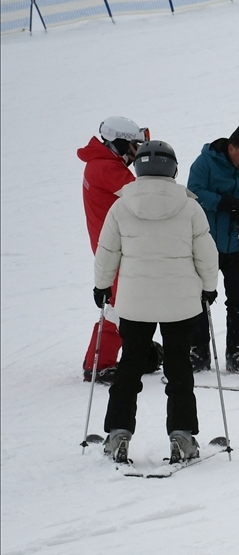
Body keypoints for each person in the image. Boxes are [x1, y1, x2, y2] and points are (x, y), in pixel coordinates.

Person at [93, 140, 219, 465]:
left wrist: (102, 286)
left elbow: (107, 251)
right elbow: (206, 252)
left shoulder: (121, 205)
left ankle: (118, 434)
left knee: (129, 368)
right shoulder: (190, 206)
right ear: (173, 169)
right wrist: (208, 288)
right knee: (179, 371)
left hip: (135, 304)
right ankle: (183, 437)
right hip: (181, 304)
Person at [77, 116, 156, 383]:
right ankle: (100, 363)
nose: (137, 153)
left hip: (112, 246)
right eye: (134, 146)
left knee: (123, 302)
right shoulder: (109, 170)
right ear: (121, 142)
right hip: (116, 249)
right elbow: (143, 197)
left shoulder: (99, 164)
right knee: (120, 305)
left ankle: (120, 354)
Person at [187, 126, 239, 374]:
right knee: (200, 298)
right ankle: (198, 351)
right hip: (206, 244)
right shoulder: (205, 163)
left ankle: (236, 352)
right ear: (231, 148)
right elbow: (194, 193)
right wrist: (226, 203)